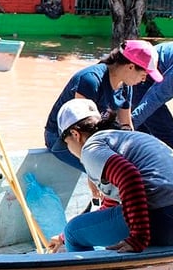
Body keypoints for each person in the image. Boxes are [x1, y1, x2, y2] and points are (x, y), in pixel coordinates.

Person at [47, 98, 173, 254]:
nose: (69, 149)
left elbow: (129, 176)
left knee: (73, 232)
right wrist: (61, 238)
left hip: (170, 218)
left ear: (76, 134)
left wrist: (138, 237)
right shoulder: (126, 138)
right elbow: (111, 206)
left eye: (67, 143)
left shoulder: (91, 148)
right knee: (71, 232)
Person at [44, 39, 161, 171]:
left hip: (93, 137)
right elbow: (81, 131)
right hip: (65, 139)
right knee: (110, 172)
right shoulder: (91, 80)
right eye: (144, 75)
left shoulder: (125, 86)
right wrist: (92, 171)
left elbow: (127, 126)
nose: (144, 80)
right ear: (130, 67)